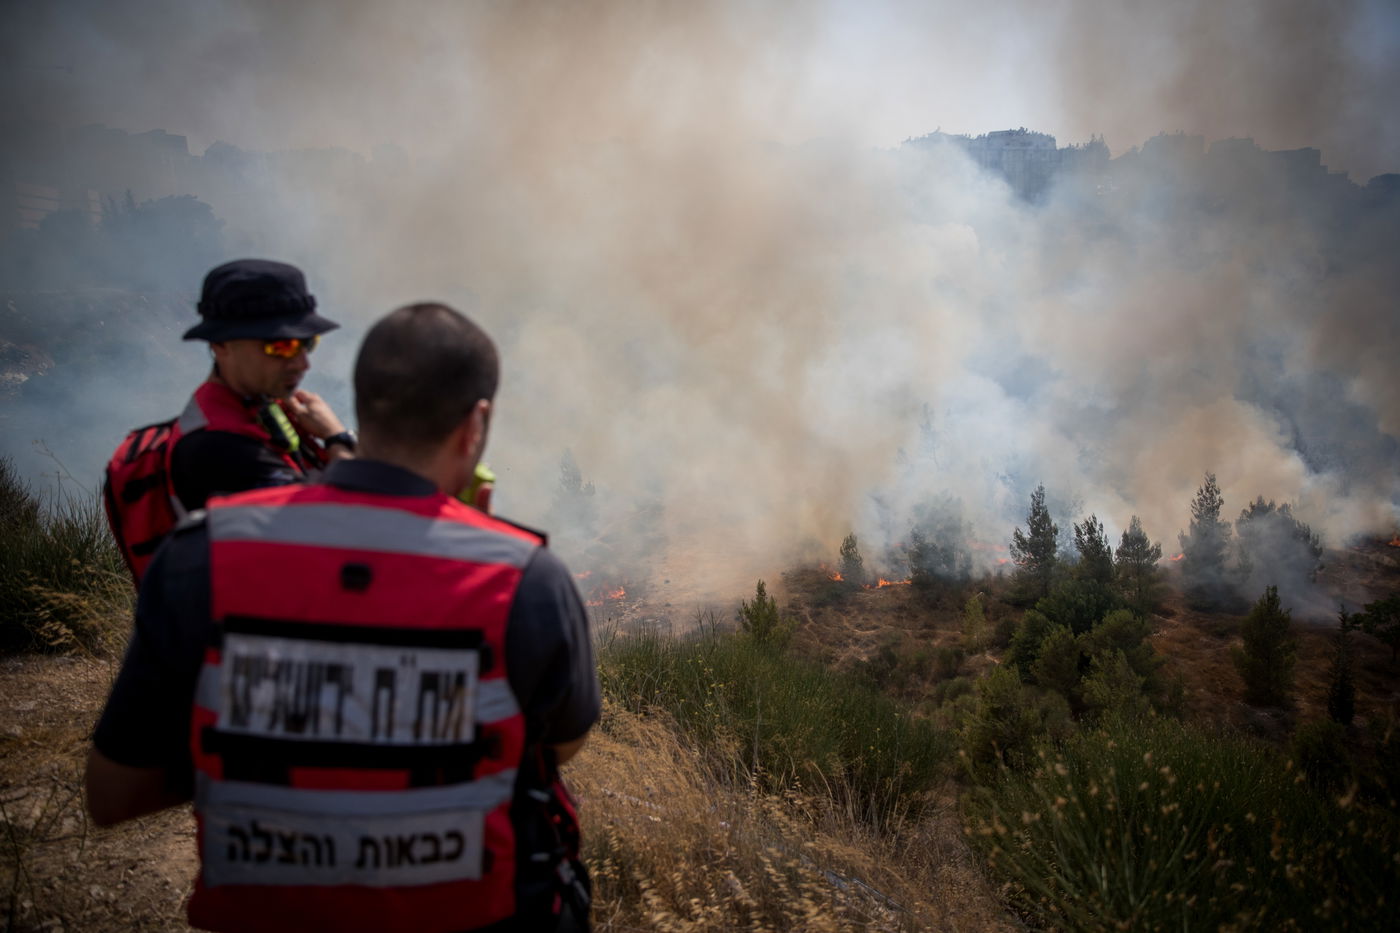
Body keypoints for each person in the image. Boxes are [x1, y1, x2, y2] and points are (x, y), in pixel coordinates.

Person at [86, 303, 600, 933]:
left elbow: (113, 795)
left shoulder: (201, 555)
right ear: (476, 425)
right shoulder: (524, 576)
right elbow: (563, 745)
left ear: (361, 407)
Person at [171, 258, 357, 511]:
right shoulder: (219, 447)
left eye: (307, 344)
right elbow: (345, 520)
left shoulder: (269, 411)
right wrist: (338, 439)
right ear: (221, 345)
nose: (303, 364)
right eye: (282, 346)